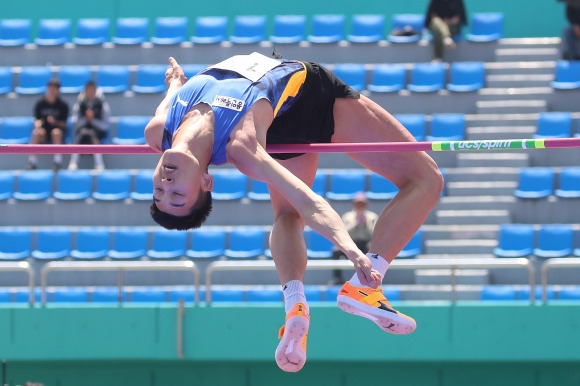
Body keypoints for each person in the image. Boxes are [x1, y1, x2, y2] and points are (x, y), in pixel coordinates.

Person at [144, 52, 444, 372]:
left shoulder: (158, 130)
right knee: (426, 179)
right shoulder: (242, 146)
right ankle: (364, 285)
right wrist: (354, 253)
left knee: (286, 216)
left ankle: (295, 308)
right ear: (206, 182)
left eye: (159, 192)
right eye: (177, 196)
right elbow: (308, 200)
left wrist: (175, 82)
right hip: (309, 100)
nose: (166, 183)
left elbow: (173, 94)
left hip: (277, 119)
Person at [330, 192, 378, 285]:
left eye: (362, 203)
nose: (360, 205)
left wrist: (365, 224)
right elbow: (344, 232)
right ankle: (337, 278)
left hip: (366, 243)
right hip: (351, 243)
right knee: (336, 251)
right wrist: (356, 223)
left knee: (373, 252)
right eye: (358, 203)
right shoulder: (347, 216)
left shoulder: (372, 217)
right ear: (354, 204)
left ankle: (371, 277)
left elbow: (374, 233)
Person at [26, 79, 69, 171]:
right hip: (44, 132)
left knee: (56, 132)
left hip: (57, 132)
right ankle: (32, 162)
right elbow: (36, 119)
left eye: (54, 88)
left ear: (58, 90)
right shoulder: (40, 104)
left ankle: (57, 162)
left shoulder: (63, 105)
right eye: (50, 88)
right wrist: (38, 123)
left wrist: (55, 122)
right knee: (36, 133)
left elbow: (64, 124)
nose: (52, 90)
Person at [67, 81, 111, 170]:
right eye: (88, 90)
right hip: (82, 132)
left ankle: (99, 164)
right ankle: (73, 163)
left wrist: (92, 120)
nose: (90, 92)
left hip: (98, 132)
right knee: (82, 133)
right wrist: (86, 119)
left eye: (92, 90)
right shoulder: (79, 105)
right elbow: (76, 124)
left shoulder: (103, 106)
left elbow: (105, 125)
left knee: (92, 133)